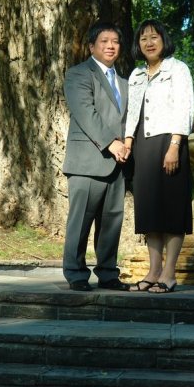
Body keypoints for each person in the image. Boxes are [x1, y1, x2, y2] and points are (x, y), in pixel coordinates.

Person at [124, 19, 194, 293]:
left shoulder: (178, 69)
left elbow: (185, 107)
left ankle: (169, 274)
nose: (149, 42)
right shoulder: (137, 75)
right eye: (143, 39)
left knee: (172, 209)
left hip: (170, 140)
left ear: (164, 40)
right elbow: (132, 111)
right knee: (150, 210)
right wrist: (129, 140)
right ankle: (153, 272)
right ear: (138, 45)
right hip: (144, 144)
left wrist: (175, 144)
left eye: (154, 37)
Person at [62, 21, 131, 292]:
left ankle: (108, 273)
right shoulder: (79, 74)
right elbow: (86, 113)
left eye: (115, 41)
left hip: (118, 164)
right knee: (80, 222)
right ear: (92, 46)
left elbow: (128, 119)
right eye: (104, 41)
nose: (110, 45)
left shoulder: (125, 82)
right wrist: (111, 143)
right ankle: (76, 274)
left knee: (112, 222)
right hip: (87, 163)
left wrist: (127, 144)